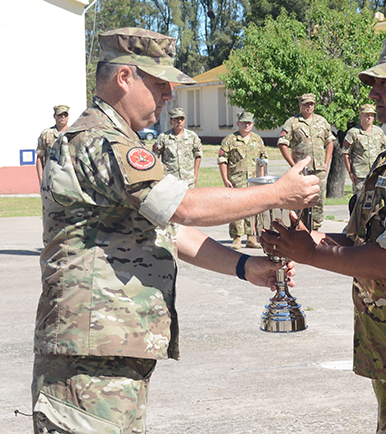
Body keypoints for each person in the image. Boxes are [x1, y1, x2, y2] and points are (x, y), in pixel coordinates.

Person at [32, 27, 320, 434]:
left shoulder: (115, 140)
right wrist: (277, 194)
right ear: (125, 78)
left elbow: (168, 227)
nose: (169, 95)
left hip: (106, 348)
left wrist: (244, 267)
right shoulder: (99, 141)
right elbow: (183, 207)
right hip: (88, 356)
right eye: (160, 83)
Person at [262, 36, 386, 434]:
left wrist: (310, 253)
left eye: (385, 82)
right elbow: (362, 243)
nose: (373, 92)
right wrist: (305, 237)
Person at [278, 93, 336, 230]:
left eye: (311, 104)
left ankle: (314, 231)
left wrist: (326, 163)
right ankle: (298, 231)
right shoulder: (292, 122)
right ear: (300, 105)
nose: (309, 106)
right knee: (299, 201)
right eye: (306, 104)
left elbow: (330, 141)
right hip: (301, 171)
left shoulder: (321, 121)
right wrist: (294, 166)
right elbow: (282, 143)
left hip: (319, 170)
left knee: (318, 201)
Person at [219, 111, 269, 249]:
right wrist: (225, 179)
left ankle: (251, 237)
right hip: (236, 179)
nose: (246, 125)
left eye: (249, 123)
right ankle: (236, 238)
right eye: (244, 123)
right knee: (235, 209)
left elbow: (263, 160)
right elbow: (222, 160)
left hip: (253, 180)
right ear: (238, 124)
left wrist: (262, 179)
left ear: (252, 124)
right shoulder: (230, 140)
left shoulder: (257, 140)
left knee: (252, 209)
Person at [342, 103, 386, 197]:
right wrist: (350, 172)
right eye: (366, 115)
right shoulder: (353, 133)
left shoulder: (379, 132)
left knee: (376, 201)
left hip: (377, 173)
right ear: (360, 115)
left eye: (371, 115)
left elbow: (385, 151)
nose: (369, 117)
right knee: (359, 200)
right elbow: (346, 153)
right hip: (360, 175)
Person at [152, 107, 203, 188]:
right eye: (176, 119)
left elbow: (198, 155)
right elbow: (155, 157)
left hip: (188, 180)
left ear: (185, 121)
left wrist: (195, 175)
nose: (179, 121)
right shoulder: (163, 137)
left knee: (189, 200)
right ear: (170, 122)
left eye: (181, 119)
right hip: (170, 180)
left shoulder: (192, 136)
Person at [35, 105, 70, 183]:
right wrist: (41, 179)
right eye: (60, 115)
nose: (63, 117)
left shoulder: (73, 134)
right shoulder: (46, 134)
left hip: (69, 178)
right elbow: (40, 157)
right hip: (51, 177)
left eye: (65, 115)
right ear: (54, 116)